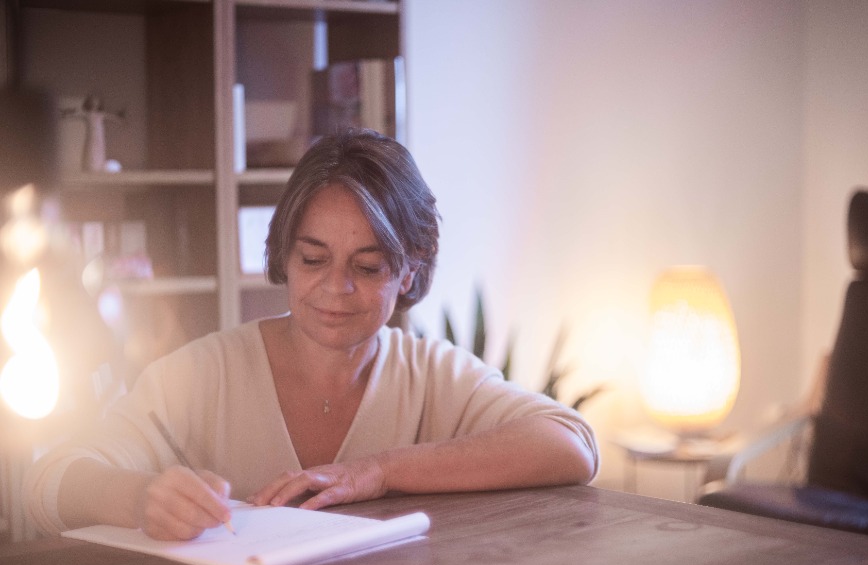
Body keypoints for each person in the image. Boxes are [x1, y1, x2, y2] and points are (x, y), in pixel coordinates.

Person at [23, 129, 598, 541]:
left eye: (367, 267)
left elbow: (572, 444)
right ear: (284, 254)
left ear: (410, 270)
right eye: (313, 259)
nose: (335, 288)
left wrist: (380, 470)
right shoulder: (203, 375)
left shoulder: (432, 376)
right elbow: (49, 481)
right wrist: (140, 500)